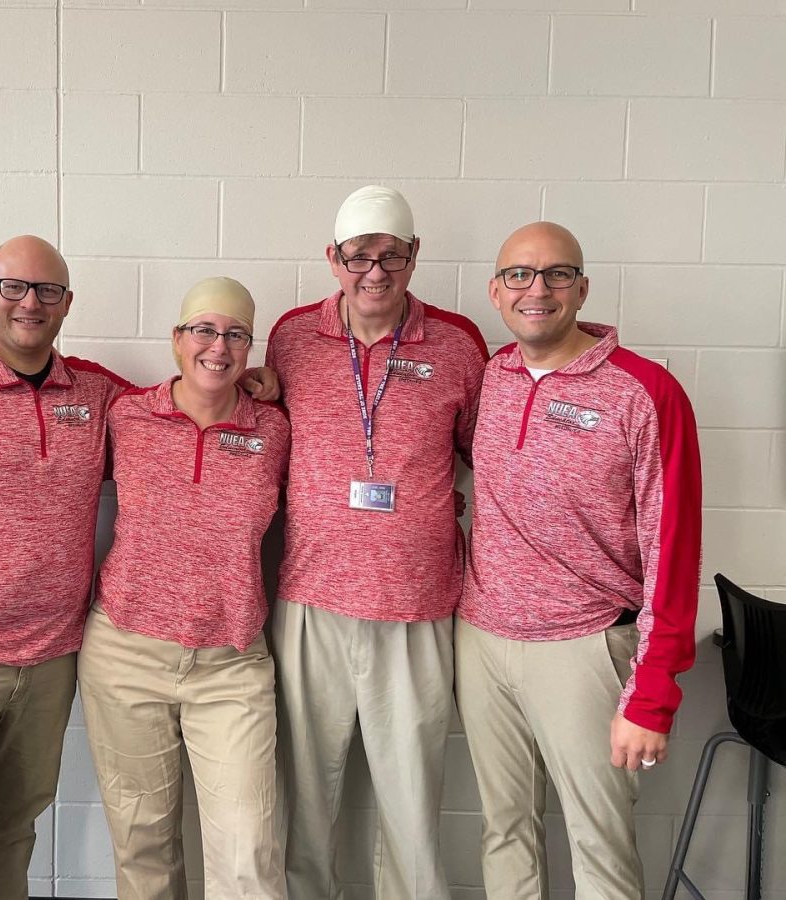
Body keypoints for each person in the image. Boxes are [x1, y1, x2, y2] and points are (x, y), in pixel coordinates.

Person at [0, 239, 279, 899]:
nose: (30, 303)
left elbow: (190, 402)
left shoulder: (98, 395)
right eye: (13, 287)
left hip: (52, 660)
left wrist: (254, 380)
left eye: (48, 291)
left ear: (67, 305)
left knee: (12, 830)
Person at [455, 221, 702, 899]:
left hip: (586, 646)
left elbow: (673, 549)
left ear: (582, 288)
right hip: (482, 640)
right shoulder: (492, 377)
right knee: (504, 829)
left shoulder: (644, 392)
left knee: (599, 841)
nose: (538, 289)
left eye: (557, 274)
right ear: (496, 291)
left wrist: (653, 692)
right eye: (519, 275)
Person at [266, 185, 488, 899]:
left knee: (414, 803)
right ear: (333, 259)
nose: (375, 272)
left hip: (418, 604)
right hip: (311, 600)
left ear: (414, 256)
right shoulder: (291, 336)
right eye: (359, 255)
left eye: (391, 255)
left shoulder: (458, 343)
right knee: (304, 800)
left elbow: (483, 455)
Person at [78, 276, 290, 899]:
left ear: (250, 348)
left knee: (249, 846)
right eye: (203, 329)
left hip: (231, 665)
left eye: (235, 334)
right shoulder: (128, 415)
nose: (217, 347)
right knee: (142, 843)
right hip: (126, 654)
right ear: (176, 339)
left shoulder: (274, 430)